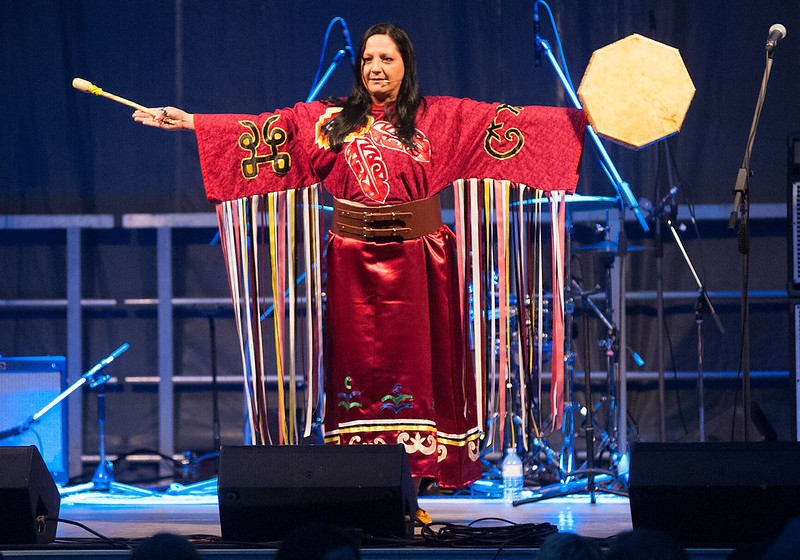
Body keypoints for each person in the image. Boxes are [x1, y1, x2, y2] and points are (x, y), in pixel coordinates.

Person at [133, 23, 585, 496]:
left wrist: (582, 121)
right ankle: (361, 474)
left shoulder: (440, 119)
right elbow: (271, 132)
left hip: (420, 262)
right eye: (368, 59)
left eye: (386, 59)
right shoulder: (332, 121)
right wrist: (192, 123)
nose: (375, 68)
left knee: (421, 370)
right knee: (359, 376)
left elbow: (509, 124)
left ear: (406, 66)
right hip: (353, 264)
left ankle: (422, 474)